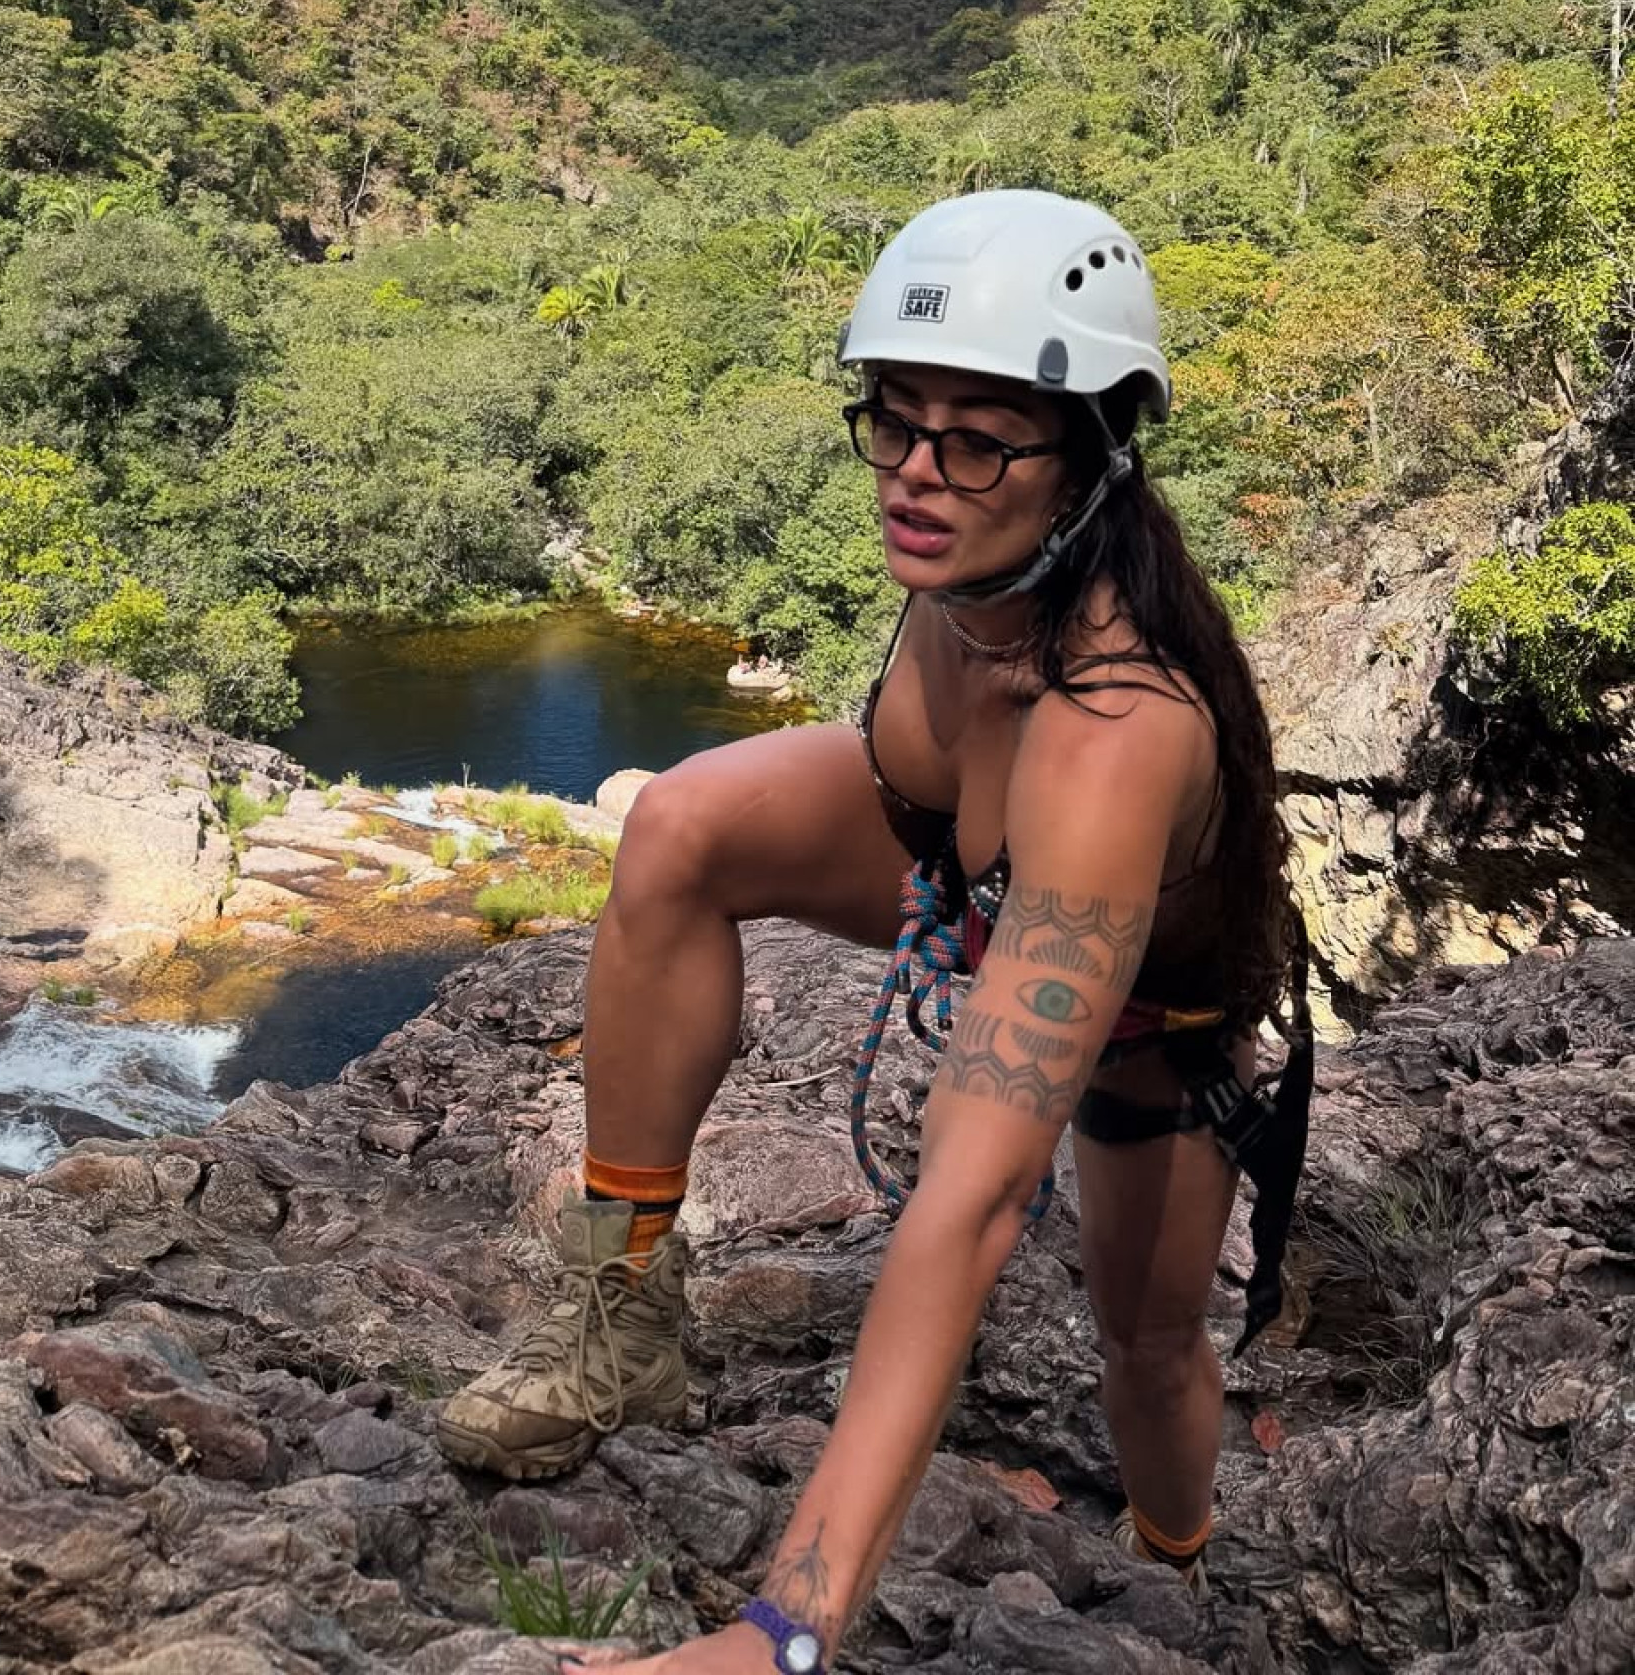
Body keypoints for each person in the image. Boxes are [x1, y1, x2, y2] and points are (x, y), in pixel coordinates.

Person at [436, 190, 1309, 1674]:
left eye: (976, 438)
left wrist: (787, 1628)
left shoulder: (1113, 736)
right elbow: (914, 787)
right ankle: (625, 1299)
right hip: (959, 877)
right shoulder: (969, 583)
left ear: (1095, 456)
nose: (917, 472)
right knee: (678, 828)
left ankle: (1178, 1559)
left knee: (1146, 1351)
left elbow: (965, 1206)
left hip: (1152, 1033)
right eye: (893, 421)